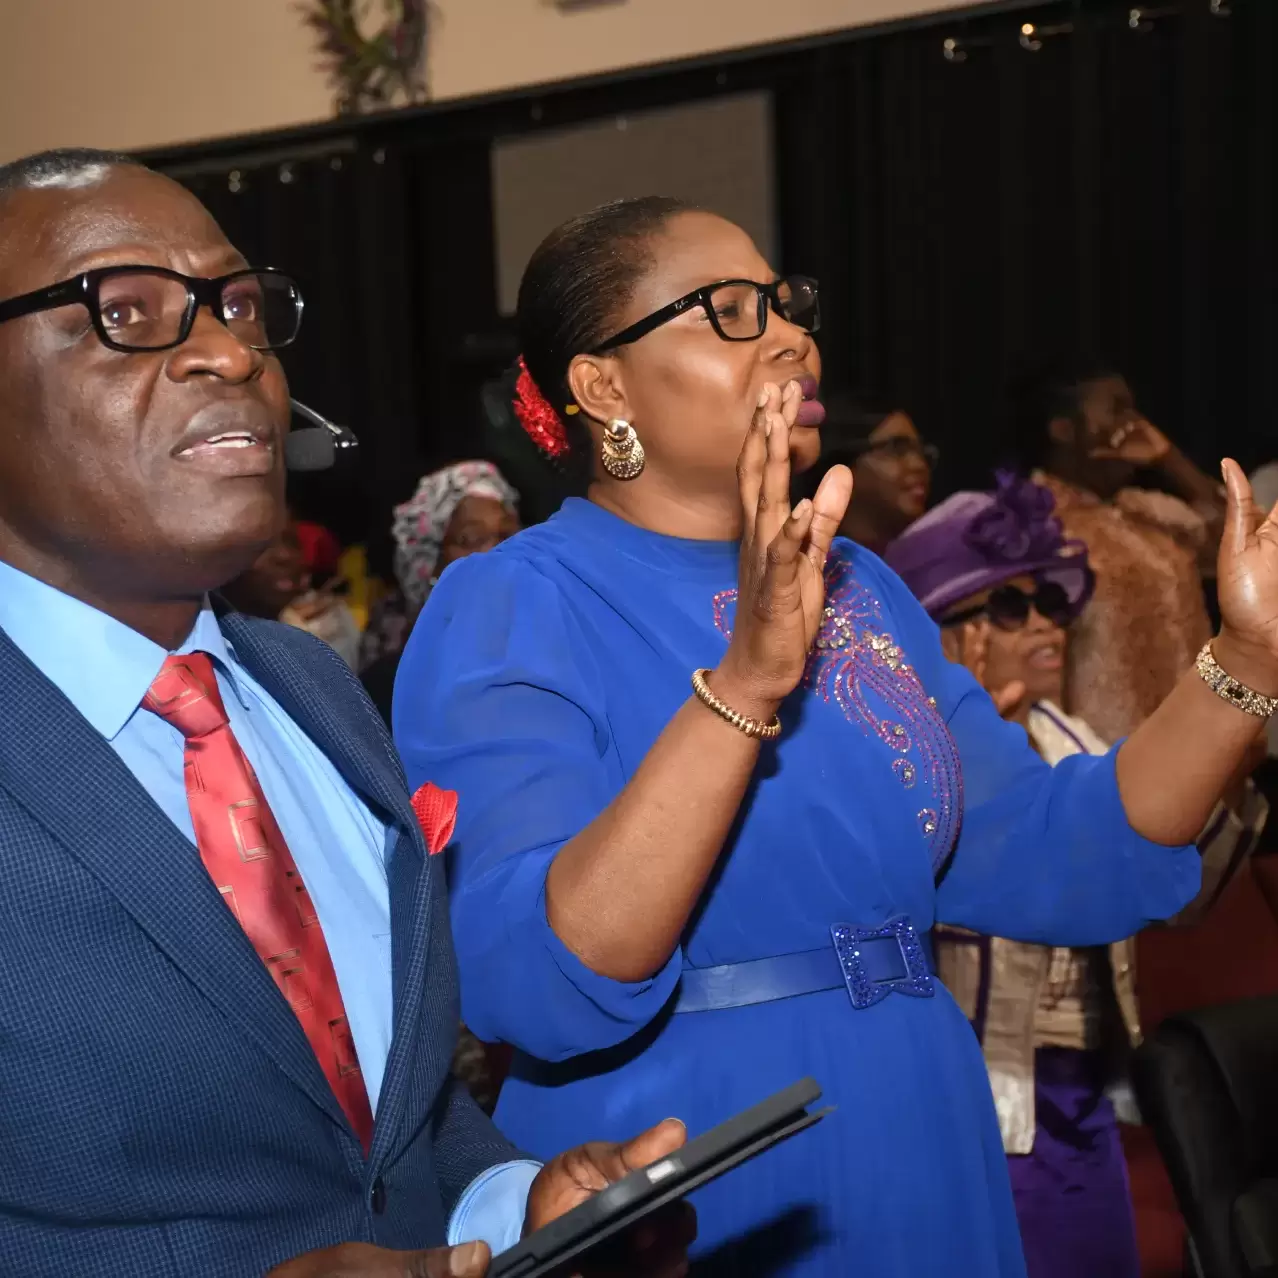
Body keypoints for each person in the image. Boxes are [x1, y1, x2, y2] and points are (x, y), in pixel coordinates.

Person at [392, 196, 1278, 1277]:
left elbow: (1057, 847)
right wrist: (748, 680)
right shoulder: (509, 605)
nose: (790, 335)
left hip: (924, 1121)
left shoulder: (864, 591)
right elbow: (540, 977)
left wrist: (1248, 662)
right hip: (690, 1155)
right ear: (602, 383)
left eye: (785, 302)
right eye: (727, 309)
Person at [0, 149, 692, 1278]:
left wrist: (516, 1204)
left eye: (236, 306)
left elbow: (387, 1129)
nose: (232, 351)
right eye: (122, 312)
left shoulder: (308, 691)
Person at [883, 473, 1268, 1278]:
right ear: (935, 634)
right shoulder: (898, 760)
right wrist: (961, 750)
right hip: (976, 1111)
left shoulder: (1079, 745)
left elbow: (1186, 900)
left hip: (1085, 1104)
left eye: (1050, 603)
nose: (1048, 627)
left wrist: (1238, 736)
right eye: (1007, 607)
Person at [1014, 364, 1227, 744]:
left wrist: (1169, 459)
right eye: (1118, 409)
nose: (1135, 425)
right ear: (1063, 429)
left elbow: (1242, 547)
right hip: (1104, 761)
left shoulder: (1151, 511)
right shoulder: (1026, 522)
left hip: (1200, 752)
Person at [359, 461, 520, 721]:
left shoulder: (553, 660)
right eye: (470, 539)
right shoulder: (389, 691)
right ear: (429, 565)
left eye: (507, 534)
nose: (497, 551)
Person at [800, 397, 935, 555]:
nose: (919, 465)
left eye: (921, 451)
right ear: (842, 466)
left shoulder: (936, 562)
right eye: (896, 449)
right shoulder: (811, 567)